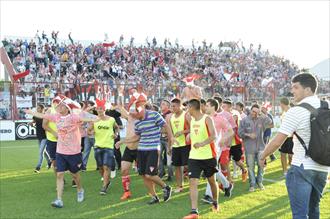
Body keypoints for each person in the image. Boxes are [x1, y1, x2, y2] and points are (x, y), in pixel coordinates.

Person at [260, 73, 329, 219]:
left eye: (296, 87)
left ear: (308, 89)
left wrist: (263, 156)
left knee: (299, 215)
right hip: (323, 167)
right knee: (314, 211)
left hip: (302, 166)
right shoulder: (327, 106)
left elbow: (277, 141)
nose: (292, 91)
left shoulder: (296, 110)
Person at [25, 95, 99, 208]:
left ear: (66, 107)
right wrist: (31, 112)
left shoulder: (74, 117)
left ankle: (80, 190)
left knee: (75, 175)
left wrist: (95, 118)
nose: (58, 107)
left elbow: (86, 118)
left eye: (61, 105)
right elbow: (43, 115)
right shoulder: (56, 117)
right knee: (59, 174)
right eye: (58, 105)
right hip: (61, 151)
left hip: (74, 152)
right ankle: (59, 200)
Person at [125, 98, 174, 205]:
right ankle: (154, 196)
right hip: (141, 150)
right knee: (143, 174)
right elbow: (137, 137)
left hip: (153, 149)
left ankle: (166, 187)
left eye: (135, 113)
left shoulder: (154, 115)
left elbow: (166, 126)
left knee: (150, 174)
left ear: (141, 109)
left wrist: (171, 139)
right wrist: (123, 141)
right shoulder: (137, 122)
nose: (134, 116)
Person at [183, 99, 219, 219]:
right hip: (194, 157)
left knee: (212, 181)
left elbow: (214, 135)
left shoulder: (207, 119)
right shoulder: (191, 120)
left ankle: (215, 202)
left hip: (208, 156)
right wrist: (189, 135)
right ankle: (194, 211)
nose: (187, 109)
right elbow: (194, 131)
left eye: (188, 107)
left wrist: (202, 143)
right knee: (193, 181)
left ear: (192, 108)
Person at [201, 98, 234, 204]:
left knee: (210, 170)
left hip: (216, 148)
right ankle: (227, 185)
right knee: (212, 169)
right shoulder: (204, 118)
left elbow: (231, 131)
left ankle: (209, 195)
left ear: (213, 107)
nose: (205, 107)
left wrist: (223, 139)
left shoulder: (220, 118)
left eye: (207, 105)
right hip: (204, 148)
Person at [238, 104, 273, 192]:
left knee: (261, 166)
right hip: (249, 148)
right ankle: (252, 184)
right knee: (250, 167)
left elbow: (271, 124)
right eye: (253, 111)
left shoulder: (261, 119)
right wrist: (249, 135)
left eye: (257, 112)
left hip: (261, 147)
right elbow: (239, 133)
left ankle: (260, 182)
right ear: (250, 110)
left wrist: (262, 114)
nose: (255, 113)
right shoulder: (244, 120)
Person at [88, 99, 119, 195]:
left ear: (104, 109)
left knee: (106, 167)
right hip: (97, 146)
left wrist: (116, 134)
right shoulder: (94, 120)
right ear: (96, 110)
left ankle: (104, 186)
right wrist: (91, 132)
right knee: (101, 168)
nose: (100, 110)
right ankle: (107, 181)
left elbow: (117, 127)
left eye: (101, 108)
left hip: (108, 146)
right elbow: (88, 131)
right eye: (98, 109)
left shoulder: (111, 120)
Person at [114, 103, 139, 201]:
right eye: (131, 110)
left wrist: (122, 141)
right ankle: (127, 192)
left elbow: (136, 138)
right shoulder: (129, 118)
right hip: (129, 149)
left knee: (145, 173)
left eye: (134, 110)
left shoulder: (140, 121)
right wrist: (119, 106)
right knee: (124, 170)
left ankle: (152, 190)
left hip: (139, 149)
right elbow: (124, 112)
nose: (131, 112)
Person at [167, 98, 191, 193]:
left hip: (186, 144)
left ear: (180, 105)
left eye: (174, 106)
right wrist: (170, 146)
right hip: (176, 146)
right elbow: (170, 134)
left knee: (188, 166)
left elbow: (193, 128)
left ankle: (192, 184)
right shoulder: (170, 117)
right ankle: (179, 186)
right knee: (177, 166)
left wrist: (182, 132)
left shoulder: (186, 115)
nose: (172, 108)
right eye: (171, 106)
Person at [31, 104, 50, 173]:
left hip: (45, 137)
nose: (37, 109)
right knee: (43, 152)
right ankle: (49, 161)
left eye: (38, 108)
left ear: (42, 109)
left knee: (40, 152)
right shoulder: (36, 116)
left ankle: (38, 167)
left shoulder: (45, 116)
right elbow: (33, 123)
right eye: (37, 108)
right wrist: (31, 124)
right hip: (39, 136)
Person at [158, 99, 173, 181]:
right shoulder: (161, 114)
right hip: (160, 138)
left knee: (169, 157)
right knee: (158, 155)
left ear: (168, 106)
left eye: (163, 104)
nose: (161, 105)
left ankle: (170, 175)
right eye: (161, 104)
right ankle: (161, 172)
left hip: (168, 139)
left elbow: (168, 127)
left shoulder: (170, 115)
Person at [278, 97, 293, 177]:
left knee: (291, 155)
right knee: (283, 154)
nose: (280, 105)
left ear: (282, 104)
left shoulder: (292, 112)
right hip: (284, 137)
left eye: (280, 104)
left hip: (291, 137)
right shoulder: (283, 113)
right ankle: (285, 172)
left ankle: (292, 171)